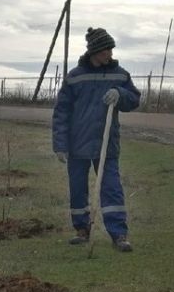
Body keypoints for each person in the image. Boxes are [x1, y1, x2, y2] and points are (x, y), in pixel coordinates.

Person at [53, 27, 141, 252]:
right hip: (77, 144)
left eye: (111, 49)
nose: (110, 54)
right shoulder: (75, 77)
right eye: (106, 50)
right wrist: (60, 145)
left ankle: (119, 234)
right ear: (95, 51)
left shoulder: (120, 75)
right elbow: (62, 112)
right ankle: (82, 230)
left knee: (111, 188)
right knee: (78, 188)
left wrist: (121, 95)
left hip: (106, 144)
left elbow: (134, 99)